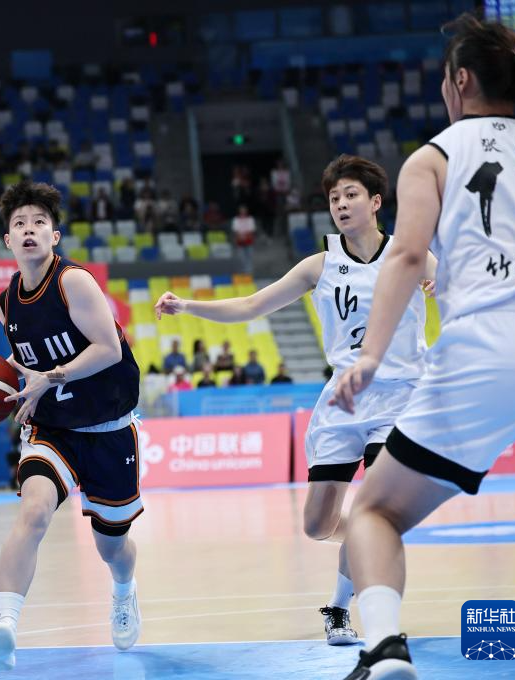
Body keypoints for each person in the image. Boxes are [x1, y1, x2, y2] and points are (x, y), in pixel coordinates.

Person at [330, 15, 515, 678]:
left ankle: (384, 648)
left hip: (489, 348)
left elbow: (405, 256)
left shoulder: (435, 156)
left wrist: (370, 356)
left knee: (374, 511)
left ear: (461, 80)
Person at [155, 154, 436, 648]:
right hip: (343, 400)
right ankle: (371, 536)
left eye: (351, 195)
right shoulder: (320, 265)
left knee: (372, 506)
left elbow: (463, 288)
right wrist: (187, 305)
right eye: (334, 198)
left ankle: (342, 608)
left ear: (375, 201)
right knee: (317, 525)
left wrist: (443, 280)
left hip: (399, 397)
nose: (341, 204)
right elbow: (251, 305)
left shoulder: (410, 254)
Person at [0, 181, 142, 671]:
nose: (29, 230)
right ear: (8, 239)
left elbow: (108, 350)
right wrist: (18, 385)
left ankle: (124, 589)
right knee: (33, 512)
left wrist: (49, 378)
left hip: (108, 427)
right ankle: (5, 626)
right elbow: (26, 361)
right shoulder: (5, 303)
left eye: (39, 223)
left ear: (54, 235)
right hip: (51, 428)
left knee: (112, 547)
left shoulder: (74, 282)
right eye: (19, 224)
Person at [231, 204, 257, 274]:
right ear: (239, 211)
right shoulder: (236, 219)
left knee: (249, 257)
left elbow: (251, 230)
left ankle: (249, 272)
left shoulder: (250, 219)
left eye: (244, 210)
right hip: (240, 241)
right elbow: (235, 230)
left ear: (246, 211)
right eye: (241, 210)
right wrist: (240, 236)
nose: (243, 211)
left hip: (249, 240)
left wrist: (245, 236)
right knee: (241, 258)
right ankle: (242, 272)